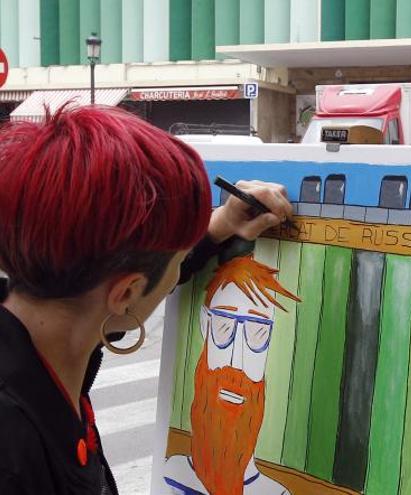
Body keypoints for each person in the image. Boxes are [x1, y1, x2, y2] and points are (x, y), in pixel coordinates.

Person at [0, 106, 293, 494]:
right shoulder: (14, 449)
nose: (179, 272)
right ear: (125, 295)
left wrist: (222, 226)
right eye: (177, 259)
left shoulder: (48, 327)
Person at [164, 250, 298, 495]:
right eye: (224, 327)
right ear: (205, 324)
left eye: (257, 333)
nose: (237, 360)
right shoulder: (171, 475)